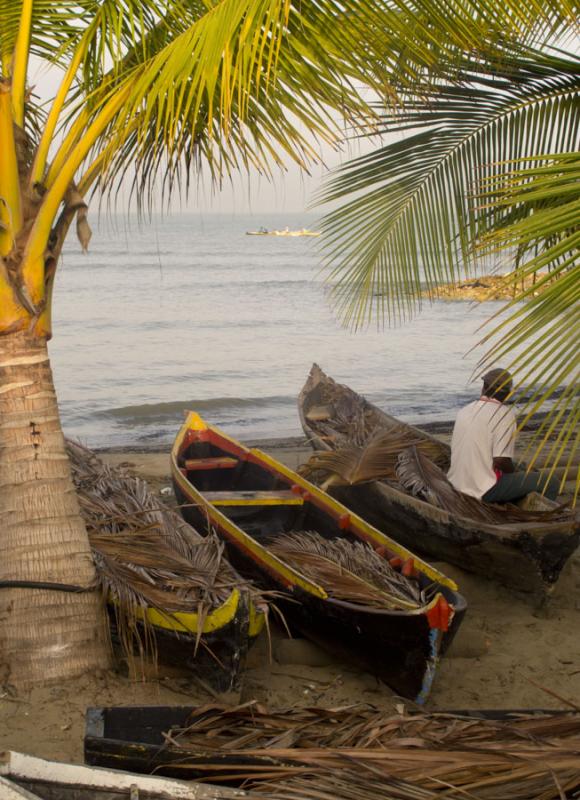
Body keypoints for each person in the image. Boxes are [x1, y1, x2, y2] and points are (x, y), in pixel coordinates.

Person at [447, 368, 559, 503]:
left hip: (456, 482)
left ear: (483, 388)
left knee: (521, 465)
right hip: (483, 489)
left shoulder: (464, 410)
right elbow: (500, 460)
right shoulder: (504, 414)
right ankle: (534, 515)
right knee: (551, 482)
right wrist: (513, 474)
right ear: (507, 394)